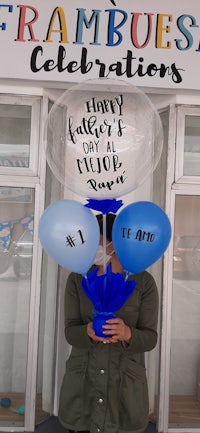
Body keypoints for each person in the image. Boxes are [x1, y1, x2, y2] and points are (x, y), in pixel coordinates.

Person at [58, 213, 159, 433]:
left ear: (116, 242)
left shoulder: (143, 282)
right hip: (83, 386)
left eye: (96, 239)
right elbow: (69, 331)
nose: (90, 245)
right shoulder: (77, 278)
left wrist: (127, 334)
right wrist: (86, 332)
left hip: (125, 390)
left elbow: (151, 338)